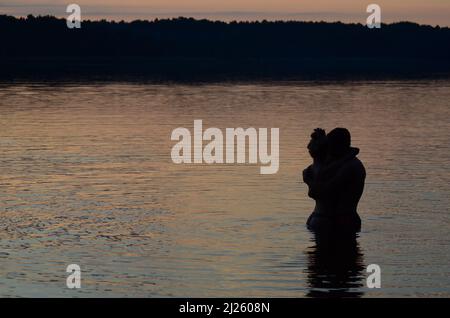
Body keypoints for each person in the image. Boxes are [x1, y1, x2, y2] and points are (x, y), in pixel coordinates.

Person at [303, 128, 366, 233]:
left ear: (339, 145)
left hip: (339, 223)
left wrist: (307, 180)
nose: (328, 149)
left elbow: (320, 191)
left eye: (330, 145)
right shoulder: (335, 164)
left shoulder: (351, 166)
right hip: (327, 222)